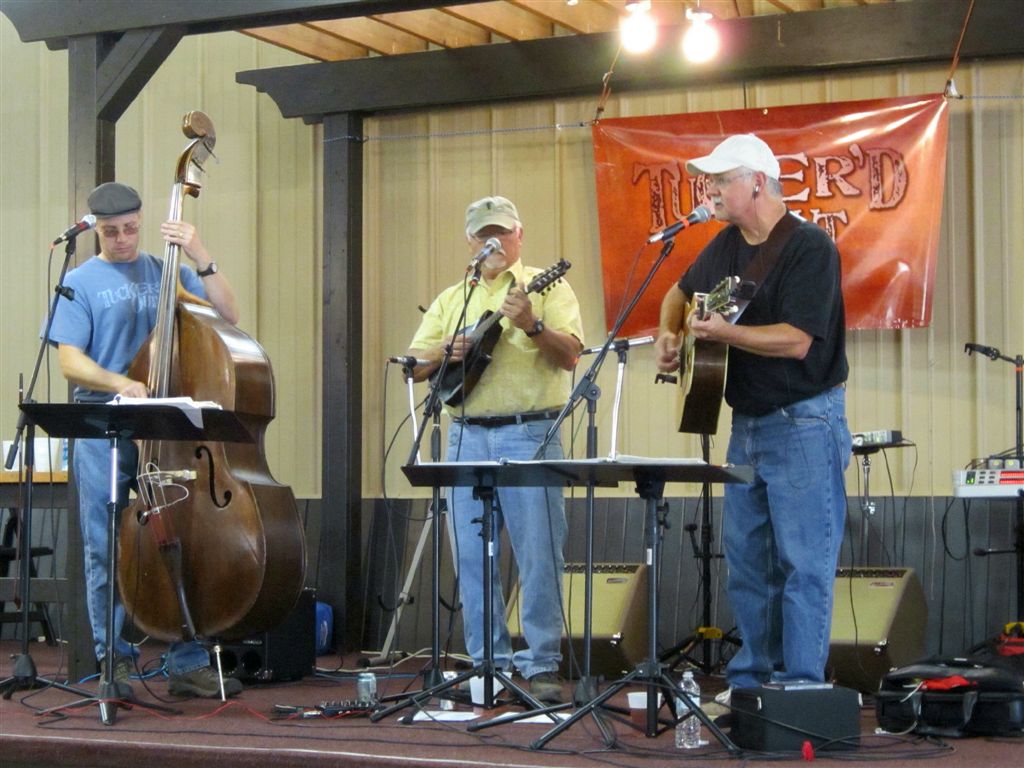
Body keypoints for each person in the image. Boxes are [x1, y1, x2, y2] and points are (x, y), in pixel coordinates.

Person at [654, 135, 851, 695]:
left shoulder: (810, 247)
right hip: (747, 426)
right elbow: (677, 293)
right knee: (747, 565)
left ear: (757, 183)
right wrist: (670, 334)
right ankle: (750, 686)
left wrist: (725, 333)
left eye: (721, 181)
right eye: (711, 181)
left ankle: (801, 687)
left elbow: (797, 341)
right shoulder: (724, 246)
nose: (710, 191)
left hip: (804, 423)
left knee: (803, 565)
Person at [47, 182, 243, 699]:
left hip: (162, 427)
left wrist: (199, 253)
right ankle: (114, 663)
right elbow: (70, 361)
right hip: (104, 426)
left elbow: (228, 314)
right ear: (96, 230)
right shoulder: (79, 282)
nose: (123, 239)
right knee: (105, 546)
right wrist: (121, 382)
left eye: (131, 229)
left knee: (180, 538)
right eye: (111, 232)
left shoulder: (165, 269)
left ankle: (187, 662)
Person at [406, 196, 584, 704]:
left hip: (531, 434)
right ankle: (488, 664)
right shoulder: (453, 298)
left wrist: (532, 324)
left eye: (503, 232)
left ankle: (542, 664)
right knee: (471, 555)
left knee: (539, 553)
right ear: (470, 241)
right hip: (465, 435)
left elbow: (572, 354)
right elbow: (413, 364)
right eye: (485, 234)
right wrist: (446, 348)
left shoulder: (548, 287)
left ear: (519, 235)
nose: (494, 242)